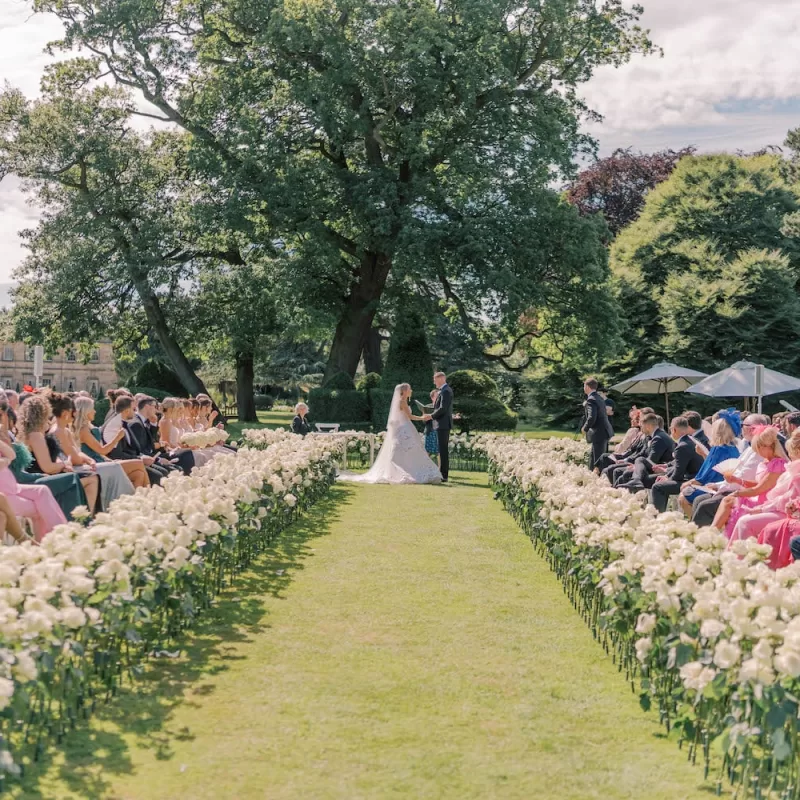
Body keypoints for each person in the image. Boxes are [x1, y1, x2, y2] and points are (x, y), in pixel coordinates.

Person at [344, 383, 442, 484]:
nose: (411, 391)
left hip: (406, 428)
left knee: (408, 451)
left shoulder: (402, 401)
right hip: (405, 428)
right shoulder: (402, 401)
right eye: (409, 389)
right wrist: (423, 417)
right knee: (408, 450)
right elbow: (410, 416)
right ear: (404, 391)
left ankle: (411, 470)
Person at [689, 413, 769, 526]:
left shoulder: (758, 451)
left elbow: (742, 479)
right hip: (734, 487)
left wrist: (719, 486)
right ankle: (697, 534)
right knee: (699, 499)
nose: (741, 428)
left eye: (743, 425)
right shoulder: (750, 447)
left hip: (744, 493)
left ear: (752, 429)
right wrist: (717, 485)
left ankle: (704, 538)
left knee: (704, 506)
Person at [711, 426, 787, 538]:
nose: (757, 452)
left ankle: (712, 533)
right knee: (728, 500)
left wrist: (737, 493)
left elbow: (758, 489)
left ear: (766, 447)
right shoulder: (767, 461)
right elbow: (759, 484)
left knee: (728, 500)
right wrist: (737, 480)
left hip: (768, 502)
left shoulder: (778, 464)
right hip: (761, 497)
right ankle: (713, 532)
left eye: (757, 448)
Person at [621, 417, 702, 507]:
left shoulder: (682, 446)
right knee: (646, 477)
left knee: (658, 486)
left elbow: (679, 473)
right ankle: (638, 499)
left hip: (689, 479)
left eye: (671, 428)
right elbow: (677, 463)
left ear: (674, 430)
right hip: (686, 476)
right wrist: (666, 468)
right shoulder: (688, 441)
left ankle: (657, 515)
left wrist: (667, 477)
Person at [72, 396, 150, 489]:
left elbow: (100, 453)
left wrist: (110, 460)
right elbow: (102, 450)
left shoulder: (88, 426)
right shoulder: (83, 430)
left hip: (102, 461)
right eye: (92, 409)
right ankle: (150, 496)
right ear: (86, 411)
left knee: (139, 474)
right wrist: (117, 438)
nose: (95, 411)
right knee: (139, 463)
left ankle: (139, 500)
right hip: (94, 465)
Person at [678, 411, 742, 515]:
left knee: (683, 497)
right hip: (725, 484)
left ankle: (695, 524)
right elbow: (714, 467)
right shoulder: (733, 448)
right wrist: (703, 455)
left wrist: (688, 483)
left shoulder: (718, 449)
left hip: (714, 487)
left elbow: (703, 477)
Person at [613, 413, 674, 487]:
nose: (641, 429)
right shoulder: (656, 436)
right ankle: (617, 491)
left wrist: (636, 466)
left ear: (648, 426)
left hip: (661, 467)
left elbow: (652, 460)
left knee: (639, 461)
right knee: (622, 473)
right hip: (656, 465)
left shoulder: (658, 438)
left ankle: (636, 481)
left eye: (642, 426)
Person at [425, 372, 453, 482]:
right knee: (442, 450)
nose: (434, 382)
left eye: (435, 380)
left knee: (443, 450)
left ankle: (444, 475)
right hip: (441, 424)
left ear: (441, 379)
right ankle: (442, 474)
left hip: (443, 424)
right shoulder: (443, 391)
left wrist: (431, 416)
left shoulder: (446, 391)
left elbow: (443, 409)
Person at [581, 378, 613, 471]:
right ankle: (591, 475)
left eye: (584, 386)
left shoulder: (591, 400)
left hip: (599, 433)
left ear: (587, 387)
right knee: (595, 457)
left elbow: (592, 417)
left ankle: (598, 480)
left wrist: (585, 428)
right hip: (605, 431)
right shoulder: (600, 398)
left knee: (598, 460)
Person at [423, 389, 440, 463]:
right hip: (430, 431)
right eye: (437, 396)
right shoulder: (427, 407)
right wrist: (426, 417)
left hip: (440, 431)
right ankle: (425, 468)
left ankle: (441, 469)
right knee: (428, 451)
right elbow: (423, 420)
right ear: (432, 397)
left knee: (440, 451)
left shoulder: (442, 407)